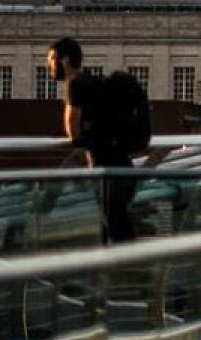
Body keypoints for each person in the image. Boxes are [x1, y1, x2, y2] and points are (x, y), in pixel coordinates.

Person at [51, 38, 149, 244]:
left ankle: (136, 271)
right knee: (116, 227)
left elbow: (72, 130)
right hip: (125, 165)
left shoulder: (75, 84)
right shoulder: (95, 83)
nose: (49, 65)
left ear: (65, 60)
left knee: (118, 231)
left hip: (106, 169)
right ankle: (125, 269)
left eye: (52, 58)